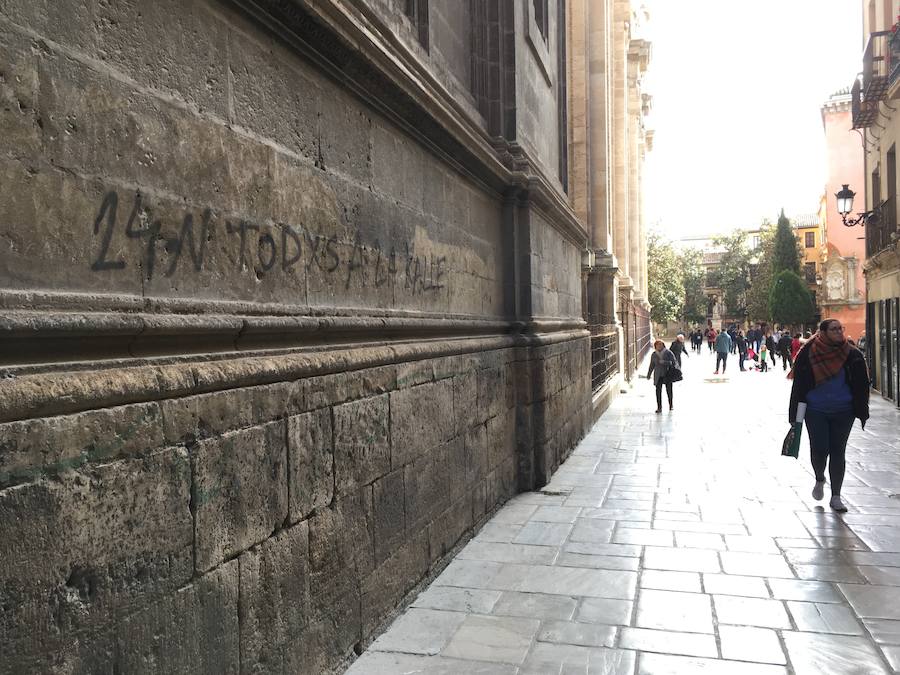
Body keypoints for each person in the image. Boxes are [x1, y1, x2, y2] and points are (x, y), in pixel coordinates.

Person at [789, 319, 870, 512]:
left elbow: (862, 385)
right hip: (815, 410)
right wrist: (794, 414)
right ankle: (819, 478)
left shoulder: (852, 354)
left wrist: (861, 409)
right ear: (822, 332)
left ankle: (836, 496)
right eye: (834, 329)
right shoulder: (807, 353)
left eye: (841, 329)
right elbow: (798, 385)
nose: (839, 332)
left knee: (837, 451)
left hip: (844, 411)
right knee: (819, 450)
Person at [647, 339, 677, 413]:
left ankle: (671, 405)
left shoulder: (668, 353)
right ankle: (659, 407)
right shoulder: (654, 354)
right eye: (657, 345)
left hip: (667, 374)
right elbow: (652, 365)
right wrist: (649, 374)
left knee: (669, 390)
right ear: (655, 346)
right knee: (658, 391)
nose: (659, 346)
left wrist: (664, 362)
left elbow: (673, 362)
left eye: (660, 345)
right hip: (658, 375)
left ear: (663, 345)